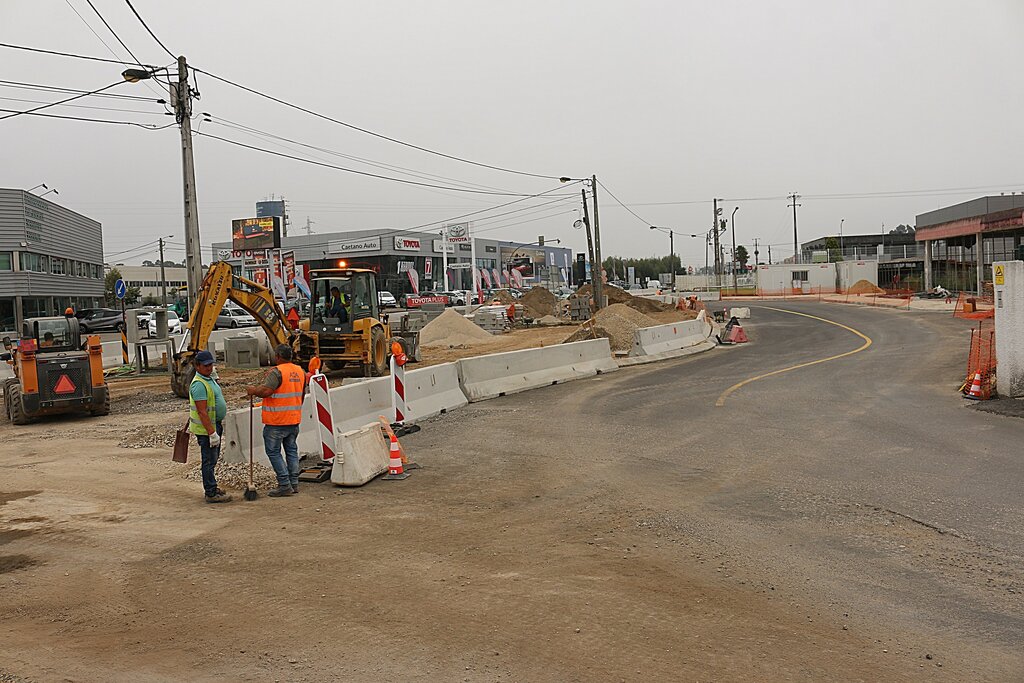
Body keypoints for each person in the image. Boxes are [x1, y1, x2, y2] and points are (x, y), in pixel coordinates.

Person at [246, 344, 307, 497]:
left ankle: (284, 484)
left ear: (278, 356)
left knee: (273, 452)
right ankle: (294, 483)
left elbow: (266, 391)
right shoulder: (300, 371)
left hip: (277, 421)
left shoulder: (277, 372)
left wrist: (253, 390)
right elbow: (302, 395)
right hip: (293, 419)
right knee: (291, 451)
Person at [189, 350, 231, 503]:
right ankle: (211, 492)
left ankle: (212, 487)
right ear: (197, 366)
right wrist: (212, 433)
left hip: (214, 425)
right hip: (206, 430)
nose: (209, 368)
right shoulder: (199, 385)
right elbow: (202, 412)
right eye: (206, 365)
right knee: (208, 460)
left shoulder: (208, 379)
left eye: (211, 365)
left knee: (212, 460)